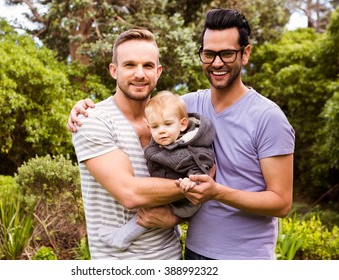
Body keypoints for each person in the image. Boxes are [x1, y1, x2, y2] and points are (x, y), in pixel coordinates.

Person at [68, 9, 295, 260]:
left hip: (245, 258)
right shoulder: (187, 106)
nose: (217, 62)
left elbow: (282, 203)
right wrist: (83, 108)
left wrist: (215, 191)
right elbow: (131, 188)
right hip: (191, 254)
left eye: (227, 53)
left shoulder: (269, 117)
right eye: (209, 54)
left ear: (245, 54)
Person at [71, 28, 191, 260]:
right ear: (114, 71)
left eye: (147, 66)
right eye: (129, 65)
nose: (139, 74)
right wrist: (198, 185)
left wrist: (176, 217)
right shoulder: (93, 121)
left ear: (158, 72)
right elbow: (130, 194)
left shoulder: (173, 120)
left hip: (171, 258)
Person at [98, 91, 215, 250]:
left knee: (149, 212)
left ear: (182, 124)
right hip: (171, 196)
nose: (161, 130)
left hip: (186, 202)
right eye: (155, 126)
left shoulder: (190, 148)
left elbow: (202, 165)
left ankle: (122, 237)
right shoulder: (164, 142)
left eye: (168, 124)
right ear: (149, 127)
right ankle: (174, 229)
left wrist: (191, 179)